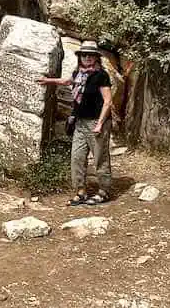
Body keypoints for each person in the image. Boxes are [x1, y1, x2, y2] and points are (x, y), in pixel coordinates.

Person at [37, 40, 114, 206]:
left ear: (96, 58)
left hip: (96, 121)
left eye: (90, 55)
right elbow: (68, 82)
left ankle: (104, 191)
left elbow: (108, 102)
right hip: (80, 122)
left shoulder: (101, 75)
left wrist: (100, 124)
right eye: (84, 55)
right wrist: (48, 81)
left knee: (100, 158)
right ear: (80, 57)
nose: (87, 57)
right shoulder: (79, 73)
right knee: (77, 158)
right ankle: (81, 191)